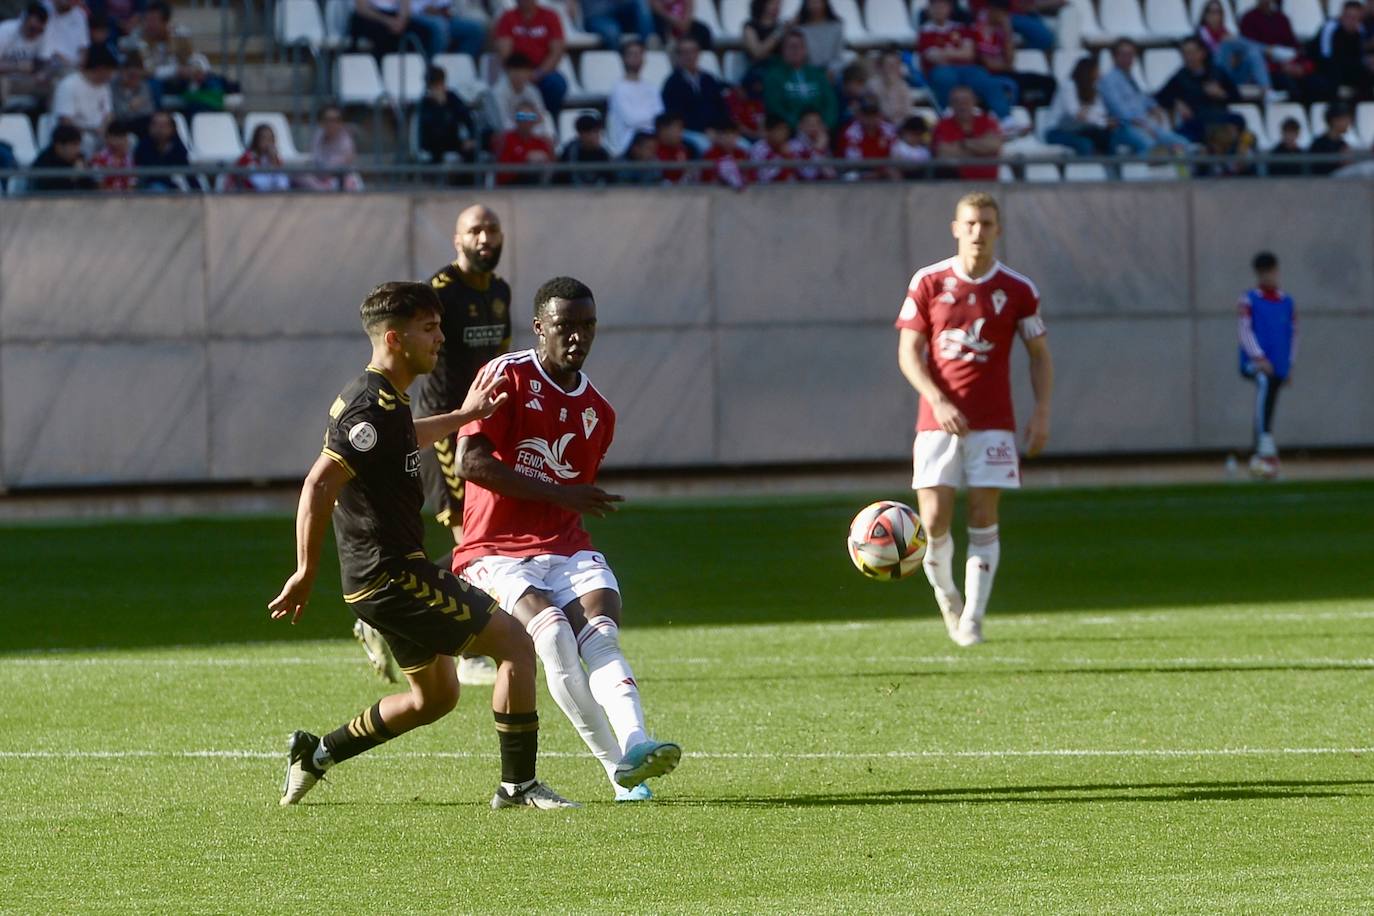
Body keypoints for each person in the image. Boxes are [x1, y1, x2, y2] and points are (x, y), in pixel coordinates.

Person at [271, 281, 577, 811]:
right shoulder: (367, 406)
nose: (441, 338)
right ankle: (519, 786)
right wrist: (303, 570)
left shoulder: (384, 399)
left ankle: (315, 754)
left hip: (382, 578)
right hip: (393, 575)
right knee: (516, 646)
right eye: (430, 329)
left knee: (435, 698)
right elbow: (320, 483)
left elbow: (401, 435)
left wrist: (465, 414)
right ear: (395, 338)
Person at [453, 275, 682, 802]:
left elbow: (571, 493)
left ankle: (636, 747)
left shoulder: (598, 412)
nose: (577, 337)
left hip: (567, 546)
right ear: (539, 328)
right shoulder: (504, 376)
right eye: (564, 327)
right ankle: (616, 769)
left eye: (587, 326)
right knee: (552, 633)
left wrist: (564, 501)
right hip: (494, 548)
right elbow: (471, 463)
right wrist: (562, 493)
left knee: (599, 635)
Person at [895, 192, 1053, 646]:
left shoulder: (1019, 290)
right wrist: (937, 400)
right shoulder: (929, 281)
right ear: (955, 227)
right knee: (933, 519)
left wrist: (1041, 411)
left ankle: (974, 620)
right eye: (970, 223)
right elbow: (908, 352)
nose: (977, 232)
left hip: (993, 421)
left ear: (998, 230)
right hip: (936, 422)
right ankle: (949, 600)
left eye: (986, 223)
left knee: (983, 516)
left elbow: (1039, 356)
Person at [1236, 252, 1295, 479]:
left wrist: (1288, 364)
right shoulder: (1249, 299)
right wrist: (1258, 358)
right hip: (1253, 364)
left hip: (1278, 366)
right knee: (1264, 382)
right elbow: (1244, 329)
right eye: (1264, 272)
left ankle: (1258, 455)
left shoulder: (1286, 301)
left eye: (1272, 271)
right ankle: (1265, 446)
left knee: (1269, 401)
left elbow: (1293, 334)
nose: (1269, 276)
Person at [918, 0, 1012, 121]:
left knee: (990, 83)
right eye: (935, 7)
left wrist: (945, 52)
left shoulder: (961, 28)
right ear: (929, 9)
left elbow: (969, 54)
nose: (939, 10)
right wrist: (957, 52)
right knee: (945, 78)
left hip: (968, 69)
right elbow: (932, 57)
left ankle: (1006, 120)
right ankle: (948, 117)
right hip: (941, 70)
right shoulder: (925, 32)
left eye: (942, 6)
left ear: (949, 9)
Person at [1098, 38, 1190, 154]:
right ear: (1115, 56)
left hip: (1144, 124)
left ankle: (1184, 171)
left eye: (1131, 54)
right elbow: (1118, 111)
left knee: (1182, 143)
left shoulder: (1131, 78)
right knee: (1150, 145)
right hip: (1123, 128)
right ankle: (1143, 171)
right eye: (1124, 54)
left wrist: (1154, 107)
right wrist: (1142, 125)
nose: (1128, 58)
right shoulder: (1109, 80)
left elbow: (1144, 99)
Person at [1154, 37, 1242, 143]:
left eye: (1191, 53)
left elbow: (1236, 96)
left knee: (1238, 120)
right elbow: (1160, 96)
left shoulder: (1217, 72)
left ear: (1202, 53)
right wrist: (1176, 102)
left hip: (1219, 118)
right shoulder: (1181, 76)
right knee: (1179, 139)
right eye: (1184, 54)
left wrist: (1222, 94)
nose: (1187, 57)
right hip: (1197, 121)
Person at [492, 0, 568, 119]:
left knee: (556, 84)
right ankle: (521, 124)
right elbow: (505, 54)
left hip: (542, 74)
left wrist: (538, 73)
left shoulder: (550, 16)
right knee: (506, 89)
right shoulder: (507, 18)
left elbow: (556, 52)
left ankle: (547, 121)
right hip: (517, 72)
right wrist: (521, 74)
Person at [975, 0, 1056, 110]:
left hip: (1005, 72)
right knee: (1012, 86)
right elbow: (988, 64)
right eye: (1001, 13)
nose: (1004, 17)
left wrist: (1007, 31)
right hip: (988, 75)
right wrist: (1006, 66)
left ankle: (1038, 117)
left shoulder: (1001, 30)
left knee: (1048, 83)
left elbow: (1010, 59)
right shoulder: (978, 30)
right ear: (992, 11)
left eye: (1005, 14)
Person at [762, 29, 838, 129]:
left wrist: (824, 125)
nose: (796, 50)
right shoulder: (774, 76)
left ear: (806, 49)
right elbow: (775, 108)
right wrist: (797, 126)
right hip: (789, 133)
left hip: (821, 132)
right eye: (792, 47)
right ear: (783, 50)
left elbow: (831, 104)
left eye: (800, 46)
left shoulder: (818, 75)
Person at [661, 35, 728, 142]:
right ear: (678, 56)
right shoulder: (672, 83)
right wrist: (705, 130)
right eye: (685, 52)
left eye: (693, 51)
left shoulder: (708, 79)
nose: (690, 56)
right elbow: (676, 115)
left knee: (743, 146)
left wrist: (719, 130)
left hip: (716, 131)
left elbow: (720, 107)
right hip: (690, 131)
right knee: (704, 145)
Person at [51, 44, 116, 154]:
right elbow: (65, 122)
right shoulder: (68, 85)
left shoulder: (104, 86)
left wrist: (105, 131)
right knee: (88, 141)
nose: (112, 76)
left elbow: (109, 115)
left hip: (101, 133)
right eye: (110, 71)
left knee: (127, 139)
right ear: (100, 69)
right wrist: (91, 131)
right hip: (75, 135)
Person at [1197, 0, 1271, 94]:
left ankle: (1268, 90)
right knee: (1228, 43)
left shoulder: (1226, 33)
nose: (1215, 16)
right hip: (1214, 77)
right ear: (1205, 15)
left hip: (1233, 74)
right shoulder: (1200, 35)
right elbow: (1203, 62)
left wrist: (1236, 58)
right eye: (1212, 12)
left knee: (1253, 53)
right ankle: (1268, 49)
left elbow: (1236, 58)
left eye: (1218, 12)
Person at [1045, 55, 1113, 156]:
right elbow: (1075, 114)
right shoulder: (1068, 86)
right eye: (1097, 70)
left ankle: (1108, 171)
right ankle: (1086, 171)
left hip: (1079, 129)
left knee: (1108, 138)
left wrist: (1103, 122)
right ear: (1088, 72)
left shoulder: (1094, 88)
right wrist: (1101, 122)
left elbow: (1100, 112)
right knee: (1085, 144)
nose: (1100, 74)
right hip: (1056, 131)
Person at [932, 84, 1003, 180]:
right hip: (955, 185)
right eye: (957, 102)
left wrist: (963, 144)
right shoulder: (942, 125)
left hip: (989, 184)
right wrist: (982, 151)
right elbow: (943, 153)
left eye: (966, 101)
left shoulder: (987, 121)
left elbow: (994, 145)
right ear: (951, 104)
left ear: (974, 101)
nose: (962, 105)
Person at [606, 39, 663, 155]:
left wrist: (647, 119)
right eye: (632, 54)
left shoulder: (652, 87)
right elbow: (631, 119)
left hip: (653, 138)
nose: (636, 57)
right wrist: (650, 118)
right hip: (629, 143)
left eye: (639, 54)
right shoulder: (618, 89)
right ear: (623, 58)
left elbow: (660, 115)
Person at [483, 52, 553, 139]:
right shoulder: (497, 92)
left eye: (524, 71)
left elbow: (540, 117)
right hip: (498, 134)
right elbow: (502, 123)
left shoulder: (532, 91)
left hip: (526, 132)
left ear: (529, 72)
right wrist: (527, 122)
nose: (520, 75)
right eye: (516, 71)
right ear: (507, 71)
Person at [1313, 2, 1374, 101]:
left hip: (1348, 68)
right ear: (1342, 15)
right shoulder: (1330, 27)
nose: (1351, 21)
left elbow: (1359, 56)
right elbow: (1325, 57)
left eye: (1355, 18)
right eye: (1348, 17)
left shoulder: (1360, 31)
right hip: (1326, 69)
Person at [418, 65, 478, 164]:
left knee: (473, 151)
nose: (440, 88)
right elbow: (431, 133)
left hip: (454, 142)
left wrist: (471, 138)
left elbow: (467, 118)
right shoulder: (425, 104)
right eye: (436, 86)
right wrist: (440, 107)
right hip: (434, 147)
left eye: (441, 84)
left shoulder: (452, 97)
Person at [0, 3, 54, 107]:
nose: (35, 33)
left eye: (39, 30)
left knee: (55, 84)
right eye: (32, 28)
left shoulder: (44, 35)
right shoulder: (5, 30)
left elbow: (45, 62)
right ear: (24, 20)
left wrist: (44, 73)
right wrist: (17, 66)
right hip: (6, 79)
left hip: (28, 81)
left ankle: (43, 120)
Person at [495, 99, 555, 184]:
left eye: (530, 116)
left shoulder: (541, 142)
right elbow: (502, 172)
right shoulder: (506, 139)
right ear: (515, 118)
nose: (526, 121)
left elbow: (551, 169)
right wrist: (526, 158)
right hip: (510, 188)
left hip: (536, 188)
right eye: (521, 116)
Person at [840, 95, 899, 179]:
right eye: (867, 115)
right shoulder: (851, 131)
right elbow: (853, 162)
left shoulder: (889, 129)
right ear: (860, 115)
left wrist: (880, 172)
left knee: (894, 173)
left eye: (874, 115)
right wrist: (876, 173)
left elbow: (895, 155)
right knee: (851, 177)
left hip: (884, 171)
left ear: (880, 115)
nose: (871, 119)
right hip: (859, 172)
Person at [308, 105, 365, 191]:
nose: (331, 124)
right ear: (321, 122)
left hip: (341, 178)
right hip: (321, 177)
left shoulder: (346, 140)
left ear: (341, 122)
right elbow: (316, 159)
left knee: (347, 181)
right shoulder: (318, 135)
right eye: (328, 120)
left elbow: (339, 165)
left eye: (336, 120)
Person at [28, 121, 96, 191]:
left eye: (78, 145)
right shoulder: (43, 164)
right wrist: (73, 177)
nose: (77, 149)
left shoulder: (79, 159)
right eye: (74, 145)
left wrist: (84, 174)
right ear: (59, 146)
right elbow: (49, 192)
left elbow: (92, 188)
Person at [133, 108, 188, 191]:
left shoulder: (178, 147)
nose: (159, 129)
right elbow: (147, 175)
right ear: (149, 127)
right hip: (147, 189)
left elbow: (188, 175)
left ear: (172, 128)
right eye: (156, 125)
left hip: (171, 190)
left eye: (164, 125)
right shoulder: (143, 146)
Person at [557, 111, 613, 185]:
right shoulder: (569, 153)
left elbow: (610, 181)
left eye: (599, 132)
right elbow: (562, 181)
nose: (598, 136)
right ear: (582, 134)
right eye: (595, 132)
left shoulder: (603, 154)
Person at [233, 123, 291, 192]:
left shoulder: (275, 157)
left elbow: (283, 182)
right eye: (264, 138)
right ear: (256, 140)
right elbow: (254, 180)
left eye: (270, 139)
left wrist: (273, 161)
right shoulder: (248, 156)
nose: (268, 142)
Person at [573, 0, 654, 50]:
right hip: (596, 17)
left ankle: (648, 46)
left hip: (617, 13)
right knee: (613, 32)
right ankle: (622, 65)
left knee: (640, 2)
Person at [795, 0, 844, 75]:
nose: (815, 6)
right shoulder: (799, 28)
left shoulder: (836, 26)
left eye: (818, 2)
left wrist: (832, 70)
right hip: (808, 71)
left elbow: (838, 56)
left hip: (831, 72)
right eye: (811, 2)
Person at [39, 0, 89, 73]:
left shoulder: (80, 15)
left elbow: (84, 48)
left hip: (70, 69)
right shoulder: (41, 8)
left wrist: (78, 67)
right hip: (42, 64)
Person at [1308, 101, 1355, 175]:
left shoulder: (1342, 143)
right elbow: (1318, 169)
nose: (1348, 123)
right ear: (1335, 121)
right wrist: (1340, 161)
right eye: (1345, 119)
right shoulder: (1319, 144)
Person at [89, 117, 134, 190]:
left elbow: (131, 187)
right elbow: (100, 187)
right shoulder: (99, 159)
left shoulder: (128, 158)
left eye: (122, 137)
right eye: (116, 137)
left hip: (125, 199)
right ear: (107, 138)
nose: (120, 141)